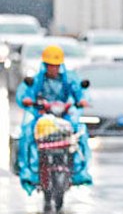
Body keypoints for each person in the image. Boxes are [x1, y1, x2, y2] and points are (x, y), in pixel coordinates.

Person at [16, 45, 92, 195]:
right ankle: (29, 172)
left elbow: (78, 91)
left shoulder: (68, 79)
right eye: (51, 65)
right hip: (42, 116)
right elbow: (27, 93)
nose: (53, 69)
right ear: (45, 65)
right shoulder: (37, 80)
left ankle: (79, 171)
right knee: (27, 135)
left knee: (80, 134)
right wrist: (28, 100)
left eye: (56, 66)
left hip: (64, 116)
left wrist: (81, 100)